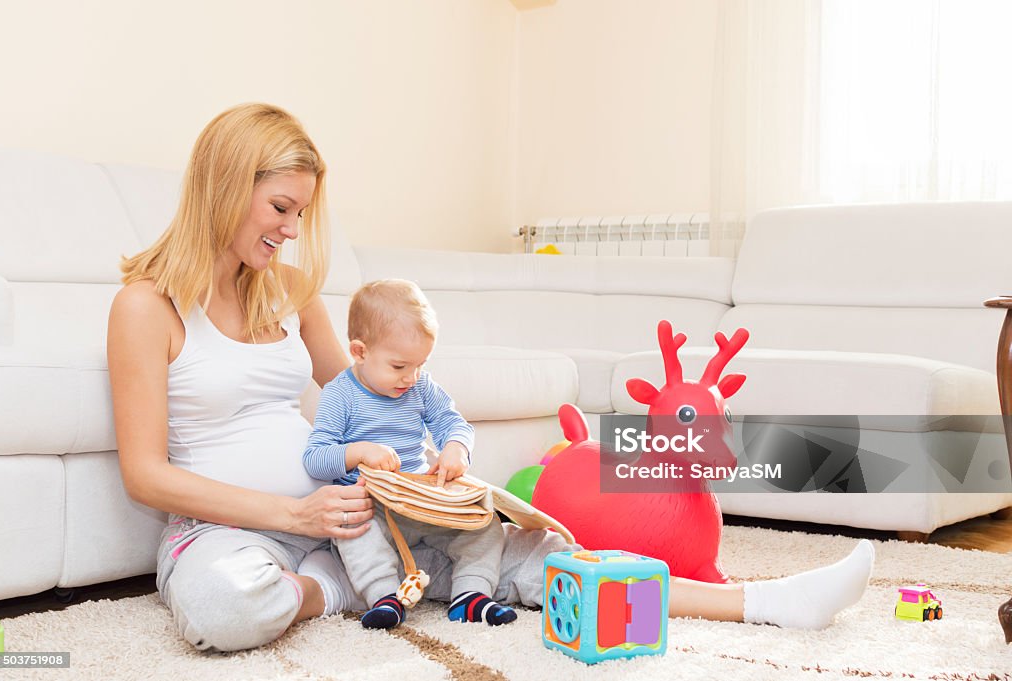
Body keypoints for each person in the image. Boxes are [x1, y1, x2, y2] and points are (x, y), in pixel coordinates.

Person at [107, 102, 875, 654]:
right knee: (220, 605)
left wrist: (435, 467)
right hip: (232, 535)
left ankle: (765, 602)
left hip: (354, 519)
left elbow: (370, 401)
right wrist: (294, 514)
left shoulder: (292, 294)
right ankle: (333, 590)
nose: (290, 229)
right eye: (280, 206)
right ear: (224, 185)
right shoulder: (146, 307)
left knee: (529, 554)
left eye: (300, 213)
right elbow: (145, 473)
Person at [303, 279, 514, 630]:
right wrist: (358, 452)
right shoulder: (341, 394)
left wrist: (456, 449)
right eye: (399, 367)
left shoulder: (421, 386)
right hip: (372, 506)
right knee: (351, 527)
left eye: (420, 365)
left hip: (421, 499)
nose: (411, 377)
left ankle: (471, 594)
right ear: (359, 351)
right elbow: (315, 457)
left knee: (486, 522)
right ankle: (385, 596)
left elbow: (453, 423)